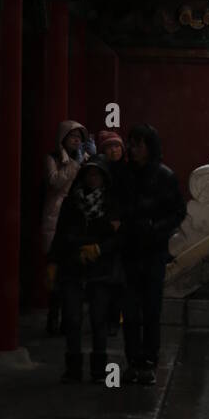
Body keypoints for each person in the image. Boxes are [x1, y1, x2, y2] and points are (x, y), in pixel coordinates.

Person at [118, 125, 186, 386]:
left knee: (151, 311)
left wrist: (155, 229)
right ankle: (133, 360)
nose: (133, 149)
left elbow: (177, 212)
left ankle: (149, 360)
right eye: (131, 144)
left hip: (154, 252)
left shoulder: (164, 176)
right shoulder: (124, 176)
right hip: (129, 251)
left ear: (150, 147)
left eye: (138, 144)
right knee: (130, 312)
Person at [50, 155, 123, 383]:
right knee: (72, 319)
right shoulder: (73, 202)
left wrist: (99, 249)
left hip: (101, 268)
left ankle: (99, 369)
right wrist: (55, 261)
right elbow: (61, 233)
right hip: (72, 265)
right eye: (89, 174)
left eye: (97, 174)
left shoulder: (112, 203)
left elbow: (119, 237)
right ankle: (73, 368)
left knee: (98, 319)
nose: (93, 179)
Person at [42, 120, 96, 335]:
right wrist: (75, 165)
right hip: (55, 215)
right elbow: (55, 182)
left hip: (77, 217)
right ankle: (53, 317)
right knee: (56, 269)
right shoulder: (53, 158)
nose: (76, 140)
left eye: (79, 136)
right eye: (72, 136)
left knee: (74, 272)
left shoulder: (84, 159)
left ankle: (68, 318)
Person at [96, 130, 126, 334]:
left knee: (118, 278)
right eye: (109, 147)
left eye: (117, 146)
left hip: (123, 230)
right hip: (101, 229)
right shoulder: (97, 171)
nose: (114, 150)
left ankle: (114, 319)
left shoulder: (128, 171)